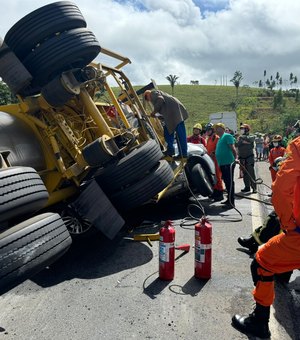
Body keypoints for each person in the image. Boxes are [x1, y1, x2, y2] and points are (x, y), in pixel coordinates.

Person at [232, 136, 300, 339]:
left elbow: (280, 190)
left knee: (262, 261)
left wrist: (289, 226)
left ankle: (259, 322)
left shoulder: (298, 146)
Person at [144, 90, 188, 158]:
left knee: (180, 134)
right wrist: (156, 115)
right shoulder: (157, 97)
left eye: (147, 98)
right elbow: (163, 111)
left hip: (175, 113)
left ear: (148, 94)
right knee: (167, 132)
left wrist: (154, 112)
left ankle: (183, 154)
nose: (148, 100)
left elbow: (160, 99)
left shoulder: (153, 93)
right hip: (172, 114)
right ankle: (171, 150)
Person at [214, 122, 237, 209]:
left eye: (218, 128)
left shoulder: (227, 136)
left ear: (223, 129)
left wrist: (236, 158)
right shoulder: (220, 138)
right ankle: (229, 200)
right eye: (216, 128)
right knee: (227, 183)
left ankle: (231, 202)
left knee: (229, 182)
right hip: (222, 164)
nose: (216, 130)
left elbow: (232, 148)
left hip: (228, 163)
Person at [205, 123, 224, 201]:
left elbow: (219, 147)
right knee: (213, 175)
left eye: (209, 130)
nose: (207, 132)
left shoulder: (216, 138)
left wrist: (214, 152)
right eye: (206, 130)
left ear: (212, 130)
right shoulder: (209, 138)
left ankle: (220, 193)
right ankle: (215, 191)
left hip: (216, 159)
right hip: (210, 159)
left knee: (217, 176)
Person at [237, 123, 257, 193]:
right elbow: (237, 144)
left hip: (249, 158)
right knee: (245, 173)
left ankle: (254, 188)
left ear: (246, 129)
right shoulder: (240, 137)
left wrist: (243, 139)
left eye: (242, 129)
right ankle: (247, 187)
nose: (241, 130)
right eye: (241, 129)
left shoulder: (251, 136)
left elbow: (251, 139)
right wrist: (243, 141)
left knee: (251, 173)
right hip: (242, 158)